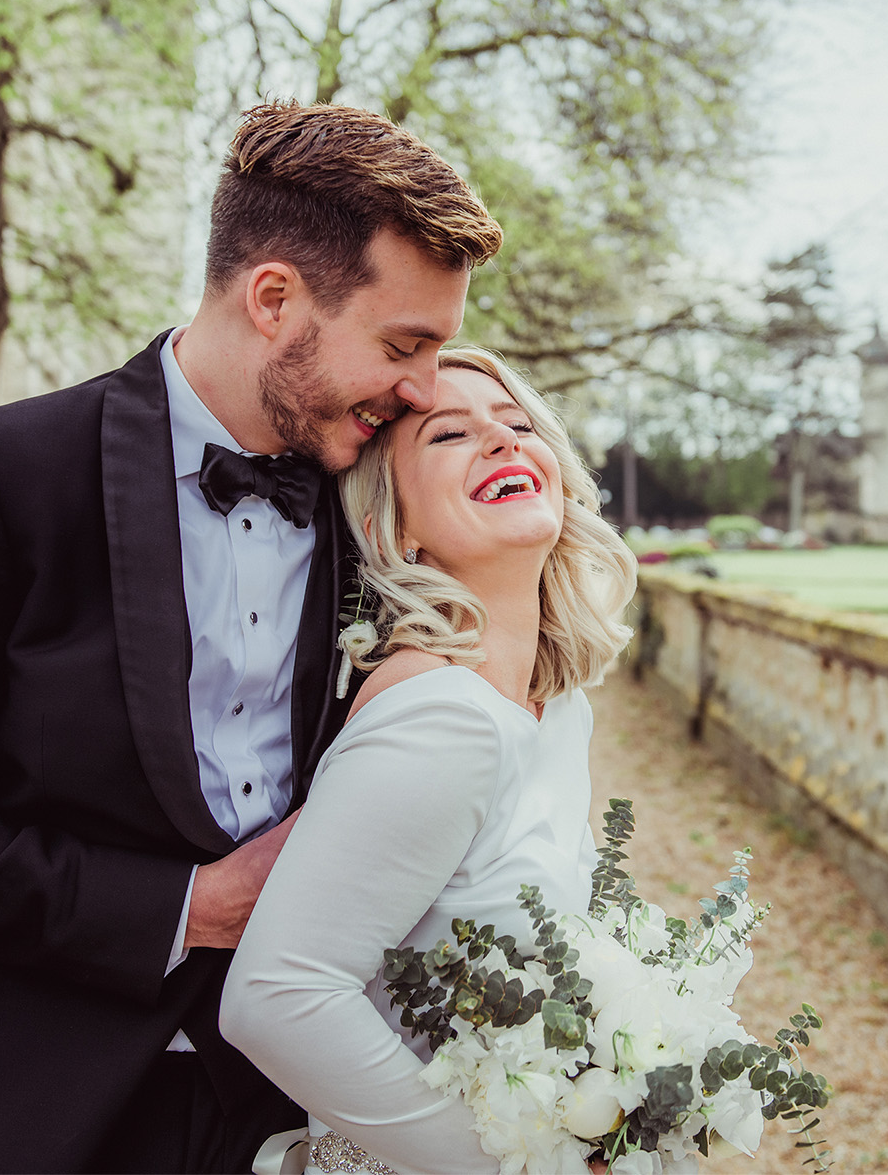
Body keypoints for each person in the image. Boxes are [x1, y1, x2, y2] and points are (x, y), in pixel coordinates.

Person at [0, 102, 502, 1173]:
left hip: (287, 1107)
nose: (420, 389)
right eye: (402, 345)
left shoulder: (377, 508)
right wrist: (185, 909)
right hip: (21, 1102)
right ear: (273, 299)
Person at [220, 347, 640, 1175]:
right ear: (394, 527)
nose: (502, 439)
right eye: (450, 434)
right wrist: (512, 1167)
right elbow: (277, 996)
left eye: (518, 424)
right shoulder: (441, 715)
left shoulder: (558, 710)